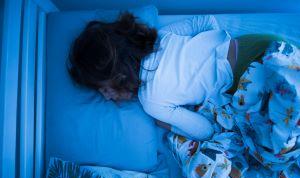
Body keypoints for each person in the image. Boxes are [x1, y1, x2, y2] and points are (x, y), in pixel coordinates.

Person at [68, 12, 282, 140]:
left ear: (119, 75)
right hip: (257, 44)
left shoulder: (150, 101)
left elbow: (205, 131)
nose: (106, 97)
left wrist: (166, 125)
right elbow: (205, 21)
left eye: (104, 89)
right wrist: (214, 48)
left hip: (246, 81)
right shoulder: (161, 36)